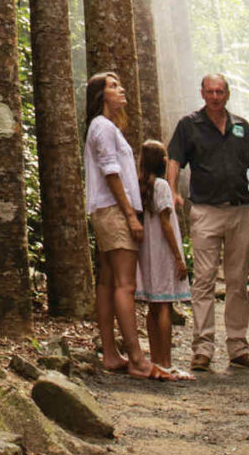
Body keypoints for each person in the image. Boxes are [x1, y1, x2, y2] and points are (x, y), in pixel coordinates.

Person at [168, 72, 249, 371]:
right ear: (202, 93)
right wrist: (171, 191)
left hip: (239, 212)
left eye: (220, 91)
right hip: (205, 211)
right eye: (210, 91)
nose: (215, 97)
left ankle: (238, 347)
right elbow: (174, 160)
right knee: (204, 281)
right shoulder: (189, 125)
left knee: (237, 282)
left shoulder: (241, 127)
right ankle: (202, 349)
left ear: (228, 93)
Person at [83, 71, 146, 375]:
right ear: (100, 95)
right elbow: (111, 172)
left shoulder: (105, 127)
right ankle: (136, 358)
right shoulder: (103, 127)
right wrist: (131, 215)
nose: (121, 90)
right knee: (125, 284)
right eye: (113, 86)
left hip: (106, 209)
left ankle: (111, 353)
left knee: (108, 281)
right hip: (114, 211)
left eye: (119, 84)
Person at [133, 142, 193, 382]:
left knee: (153, 305)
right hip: (162, 251)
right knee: (165, 305)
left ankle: (156, 360)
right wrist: (179, 257)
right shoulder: (162, 186)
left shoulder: (141, 186)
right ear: (161, 160)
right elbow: (166, 224)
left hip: (146, 252)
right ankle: (166, 363)